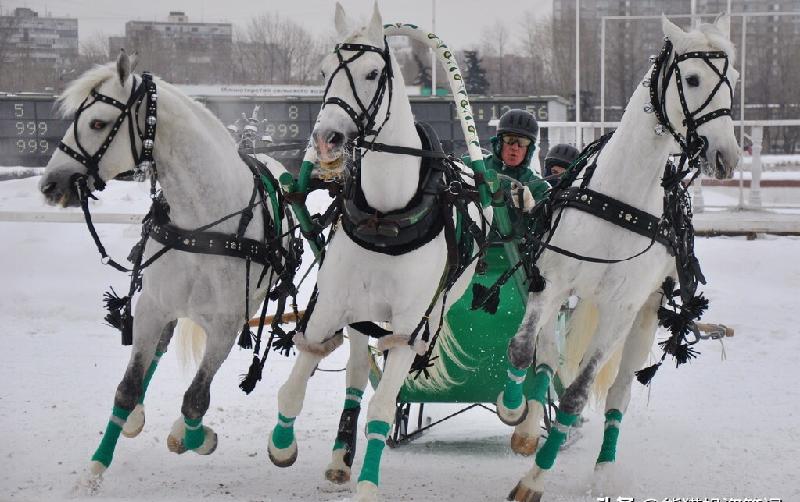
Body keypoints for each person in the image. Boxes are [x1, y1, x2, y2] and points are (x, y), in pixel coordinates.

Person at [482, 109, 549, 212]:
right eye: (510, 139)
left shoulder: (538, 185)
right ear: (499, 142)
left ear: (529, 149)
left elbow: (549, 221)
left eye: (522, 142)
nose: (515, 147)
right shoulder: (475, 165)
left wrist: (533, 208)